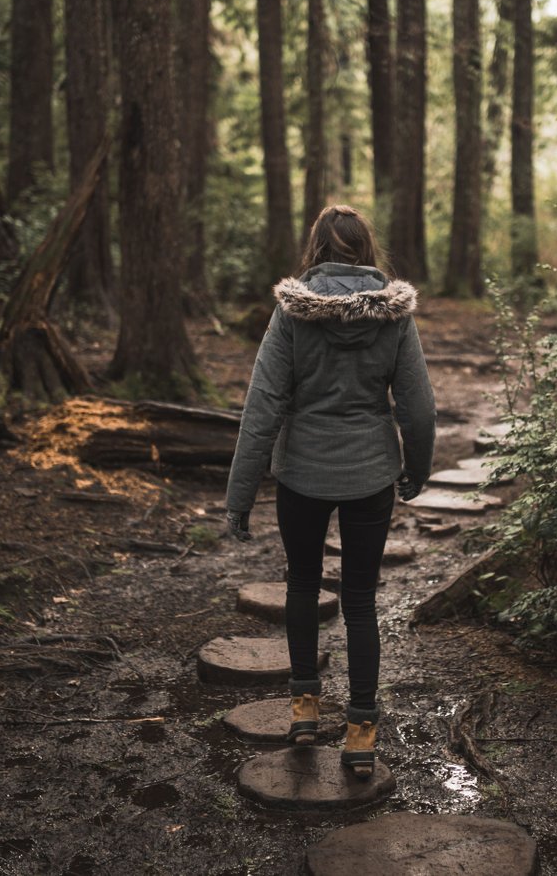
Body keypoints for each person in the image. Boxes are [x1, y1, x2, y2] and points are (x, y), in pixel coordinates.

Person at [223, 205, 436, 779]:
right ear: (366, 249)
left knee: (301, 585)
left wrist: (240, 495)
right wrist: (417, 468)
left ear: (315, 249)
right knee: (361, 598)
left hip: (303, 474)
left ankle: (303, 712)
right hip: (370, 473)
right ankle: (362, 731)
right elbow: (416, 404)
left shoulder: (291, 313)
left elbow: (263, 404)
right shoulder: (393, 314)